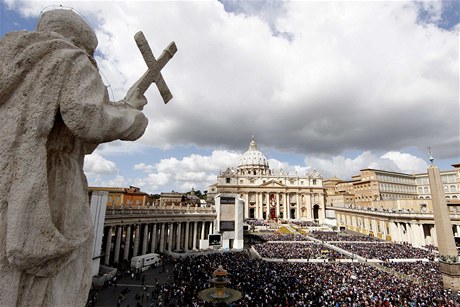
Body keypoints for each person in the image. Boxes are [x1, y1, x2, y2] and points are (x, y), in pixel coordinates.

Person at [0, 9, 149, 306]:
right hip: (50, 179)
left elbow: (77, 133)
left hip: (10, 172)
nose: (92, 60)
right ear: (75, 40)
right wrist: (133, 117)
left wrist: (122, 103)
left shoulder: (11, 59)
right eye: (90, 51)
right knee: (56, 279)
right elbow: (86, 119)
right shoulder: (69, 57)